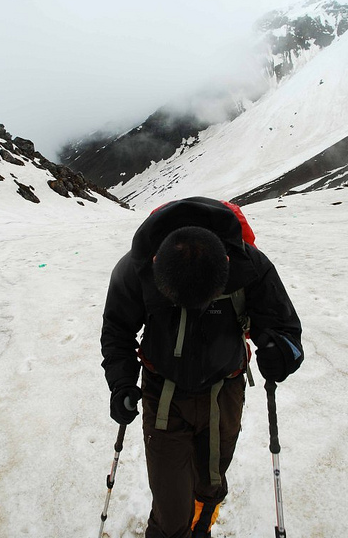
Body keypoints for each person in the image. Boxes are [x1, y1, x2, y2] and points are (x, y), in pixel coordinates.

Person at [101, 197, 303, 538]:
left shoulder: (250, 265)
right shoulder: (135, 269)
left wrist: (281, 352)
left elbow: (288, 331)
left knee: (211, 483)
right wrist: (121, 382)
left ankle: (201, 529)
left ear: (225, 264)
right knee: (171, 503)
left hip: (224, 393)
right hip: (163, 394)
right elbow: (117, 330)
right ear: (156, 264)